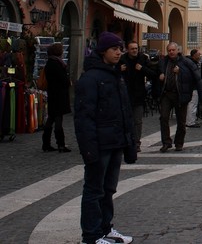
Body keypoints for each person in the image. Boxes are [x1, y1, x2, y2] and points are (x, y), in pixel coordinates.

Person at [73, 31, 136, 244]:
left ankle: (105, 228)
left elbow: (124, 111)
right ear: (103, 52)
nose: (120, 52)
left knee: (108, 189)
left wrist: (129, 141)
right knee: (94, 190)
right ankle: (91, 236)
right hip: (100, 144)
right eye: (115, 49)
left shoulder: (115, 75)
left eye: (120, 48)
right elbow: (84, 117)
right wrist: (89, 148)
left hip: (115, 141)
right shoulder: (91, 78)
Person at [157, 42, 202, 152]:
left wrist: (180, 73)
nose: (171, 52)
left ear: (177, 50)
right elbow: (156, 71)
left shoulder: (186, 62)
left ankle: (179, 143)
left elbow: (194, 77)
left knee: (181, 121)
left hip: (180, 95)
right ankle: (166, 142)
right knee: (163, 117)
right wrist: (160, 74)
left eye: (173, 50)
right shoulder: (164, 62)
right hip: (166, 93)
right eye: (169, 50)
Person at [119, 41, 156, 152]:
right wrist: (118, 70)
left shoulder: (143, 59)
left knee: (137, 121)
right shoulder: (122, 59)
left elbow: (153, 74)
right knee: (125, 120)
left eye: (136, 48)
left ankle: (136, 143)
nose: (135, 50)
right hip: (124, 94)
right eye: (132, 48)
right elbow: (112, 73)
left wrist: (142, 69)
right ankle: (125, 141)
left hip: (138, 95)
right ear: (127, 49)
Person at [42, 42, 72, 153]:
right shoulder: (56, 64)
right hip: (59, 95)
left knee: (51, 119)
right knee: (58, 120)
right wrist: (68, 80)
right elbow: (63, 80)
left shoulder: (49, 63)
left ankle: (46, 143)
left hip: (53, 94)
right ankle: (60, 144)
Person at [185, 49, 202, 128]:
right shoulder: (192, 64)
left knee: (192, 104)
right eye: (198, 54)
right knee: (192, 104)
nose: (200, 56)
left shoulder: (189, 62)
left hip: (191, 86)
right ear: (194, 55)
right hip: (193, 86)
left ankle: (191, 120)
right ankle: (190, 121)